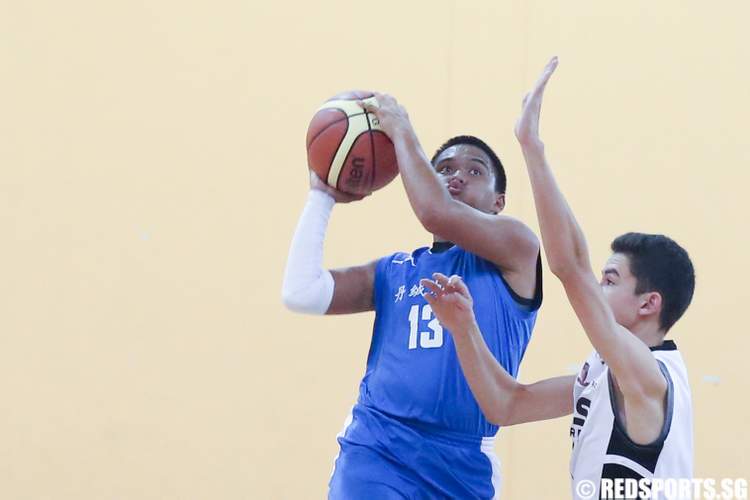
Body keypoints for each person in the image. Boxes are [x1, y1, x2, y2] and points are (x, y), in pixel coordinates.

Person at [420, 57, 695, 500]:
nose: (596, 286)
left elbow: (568, 266)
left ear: (649, 303)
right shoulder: (607, 372)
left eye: (609, 280)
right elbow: (506, 404)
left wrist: (532, 146)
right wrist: (464, 328)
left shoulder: (649, 374)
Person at [282, 98, 543, 497]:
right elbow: (302, 292)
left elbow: (435, 214)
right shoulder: (394, 271)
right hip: (378, 446)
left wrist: (401, 129)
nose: (456, 177)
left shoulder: (517, 249)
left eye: (475, 171)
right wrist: (321, 195)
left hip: (463, 462)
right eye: (444, 170)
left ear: (498, 202)